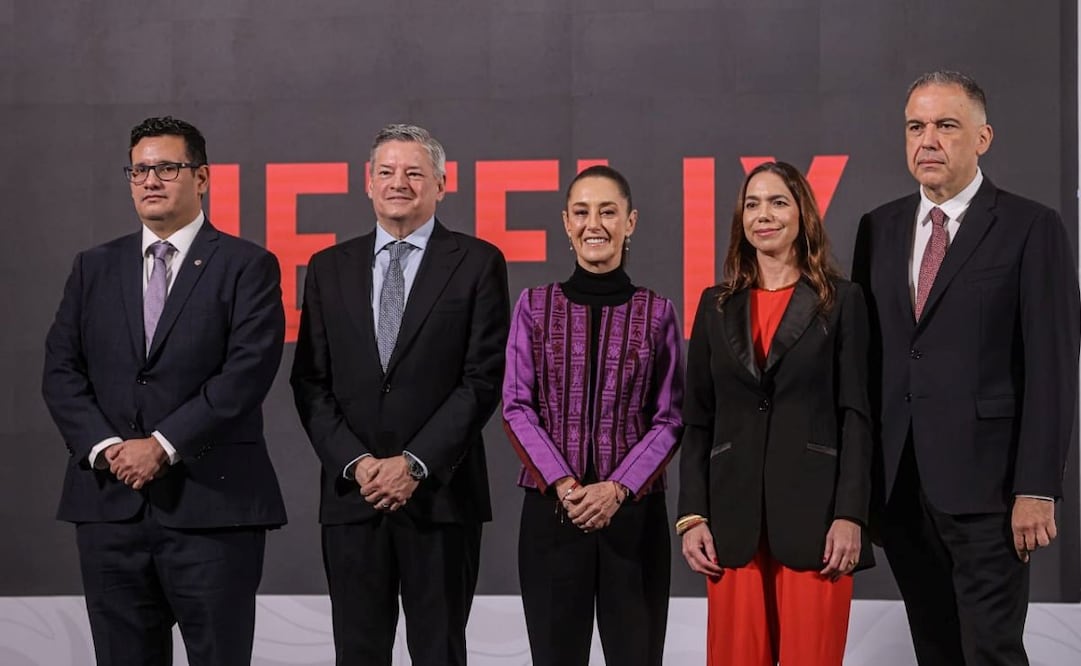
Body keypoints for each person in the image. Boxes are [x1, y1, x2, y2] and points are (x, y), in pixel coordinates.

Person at [852, 70, 1080, 666]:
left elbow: (1053, 368)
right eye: (915, 126)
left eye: (946, 125)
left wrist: (1037, 486)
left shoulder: (1032, 228)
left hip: (992, 492)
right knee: (935, 647)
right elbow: (872, 360)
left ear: (983, 137)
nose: (927, 140)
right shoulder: (877, 228)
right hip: (900, 490)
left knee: (991, 651)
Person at [41, 116, 287, 665]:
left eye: (167, 168)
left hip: (212, 511)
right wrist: (107, 448)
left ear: (201, 177)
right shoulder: (93, 267)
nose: (150, 180)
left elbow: (244, 375)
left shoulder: (247, 265)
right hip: (111, 510)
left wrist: (162, 444)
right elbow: (61, 370)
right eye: (139, 169)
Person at [290, 124, 510, 666]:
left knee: (439, 651)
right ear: (367, 184)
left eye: (414, 172)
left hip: (440, 498)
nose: (399, 183)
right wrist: (358, 463)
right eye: (386, 172)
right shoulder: (327, 268)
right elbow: (310, 381)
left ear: (441, 183)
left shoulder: (478, 262)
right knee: (357, 653)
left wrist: (412, 465)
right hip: (353, 498)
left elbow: (482, 379)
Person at [678, 161, 873, 666]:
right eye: (752, 203)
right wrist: (692, 516)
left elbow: (857, 415)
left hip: (817, 523)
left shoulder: (842, 301)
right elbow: (697, 419)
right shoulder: (714, 306)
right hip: (731, 521)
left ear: (803, 214)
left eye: (778, 202)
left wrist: (851, 515)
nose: (763, 214)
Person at [502, 165, 684, 666]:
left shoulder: (658, 311)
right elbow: (516, 406)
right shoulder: (533, 308)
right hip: (552, 518)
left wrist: (616, 489)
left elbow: (670, 417)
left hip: (634, 519)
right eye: (581, 212)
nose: (594, 223)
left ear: (631, 222)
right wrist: (565, 484)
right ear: (565, 222)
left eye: (608, 211)